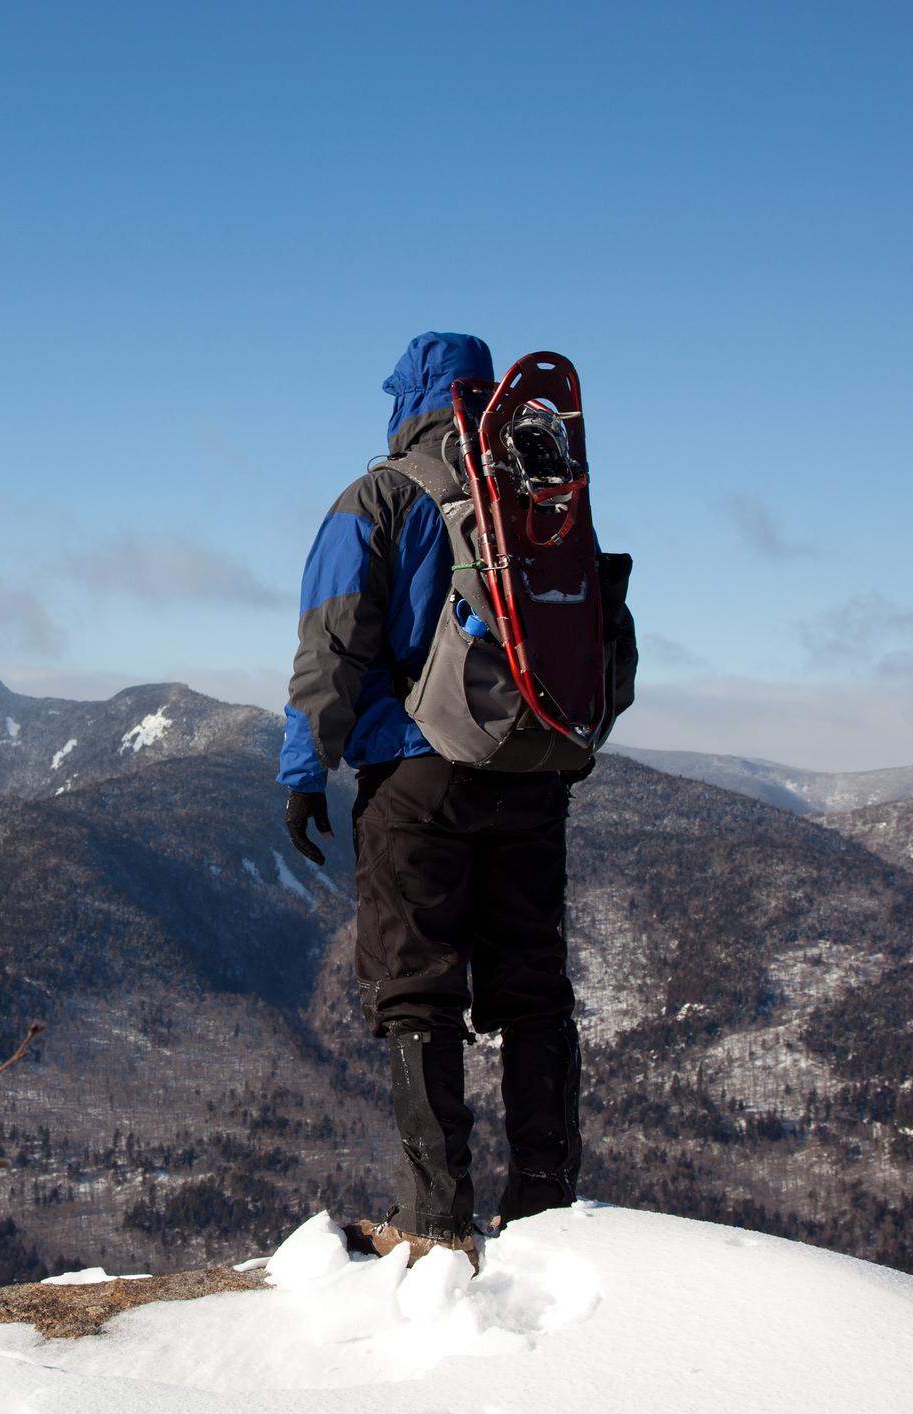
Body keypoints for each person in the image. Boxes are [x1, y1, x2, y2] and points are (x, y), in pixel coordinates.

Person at [277, 331, 596, 1270]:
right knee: (531, 985)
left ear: (408, 398)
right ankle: (544, 1196)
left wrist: (305, 770)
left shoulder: (378, 497)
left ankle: (435, 1216)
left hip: (419, 778)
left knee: (416, 989)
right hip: (535, 769)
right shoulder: (537, 492)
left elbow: (329, 645)